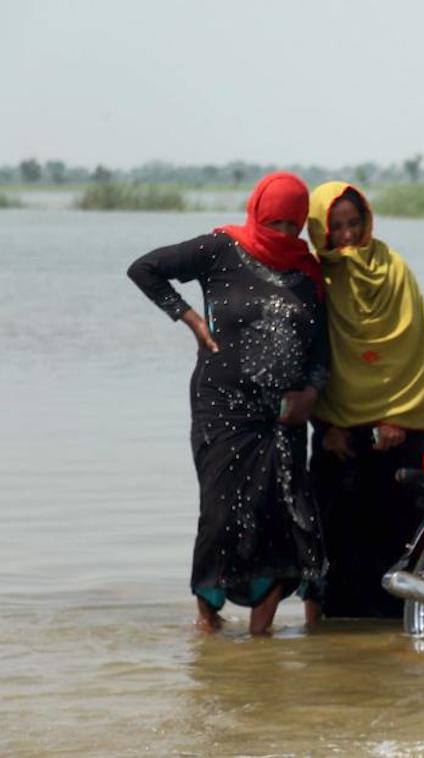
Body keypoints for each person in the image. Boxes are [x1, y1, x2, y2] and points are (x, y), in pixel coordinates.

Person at [126, 171, 328, 635]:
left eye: (292, 225)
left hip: (283, 417)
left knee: (287, 517)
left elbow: (321, 348)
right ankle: (207, 621)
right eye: (274, 223)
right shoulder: (220, 249)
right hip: (223, 410)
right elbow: (144, 269)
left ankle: (261, 631)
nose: (282, 234)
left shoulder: (308, 273)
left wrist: (312, 393)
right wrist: (191, 319)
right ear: (257, 214)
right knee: (221, 515)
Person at [302, 182, 424, 619]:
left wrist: (399, 419)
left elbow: (412, 348)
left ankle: (393, 634)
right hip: (337, 436)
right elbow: (309, 357)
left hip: (397, 433)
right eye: (336, 227)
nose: (347, 236)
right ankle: (338, 646)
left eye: (354, 224)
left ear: (367, 223)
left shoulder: (394, 270)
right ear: (320, 231)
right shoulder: (314, 279)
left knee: (395, 544)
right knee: (334, 548)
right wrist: (325, 426)